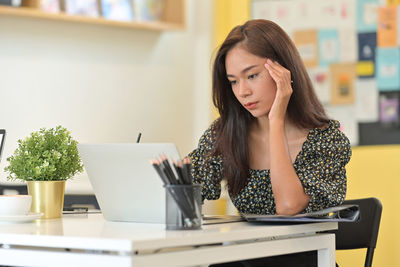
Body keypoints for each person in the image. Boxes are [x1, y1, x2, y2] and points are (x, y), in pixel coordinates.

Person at [188, 19, 351, 267]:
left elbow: (287, 206)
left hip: (304, 262)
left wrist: (276, 120)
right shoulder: (226, 133)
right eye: (233, 81)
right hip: (248, 260)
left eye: (252, 75)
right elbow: (187, 187)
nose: (242, 91)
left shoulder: (326, 139)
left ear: (284, 72)